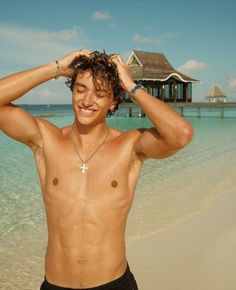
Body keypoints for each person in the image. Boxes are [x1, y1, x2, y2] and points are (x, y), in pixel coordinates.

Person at [0, 50, 194, 290]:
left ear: (113, 102)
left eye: (100, 94)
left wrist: (131, 86)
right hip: (56, 284)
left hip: (114, 283)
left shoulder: (129, 147)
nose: (87, 101)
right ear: (72, 91)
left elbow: (181, 135)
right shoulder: (46, 140)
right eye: (80, 89)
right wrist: (57, 68)